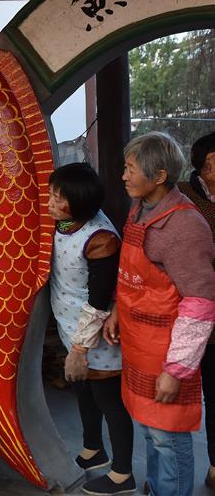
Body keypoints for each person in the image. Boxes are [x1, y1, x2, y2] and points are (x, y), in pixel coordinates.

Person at [104, 131, 215, 496]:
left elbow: (200, 304)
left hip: (167, 352)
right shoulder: (141, 209)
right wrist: (118, 310)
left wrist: (176, 370)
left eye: (131, 168)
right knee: (151, 430)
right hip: (140, 346)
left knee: (169, 436)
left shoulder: (186, 226)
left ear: (160, 176)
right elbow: (132, 275)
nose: (124, 175)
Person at [48, 163, 134, 495]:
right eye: (52, 193)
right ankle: (92, 448)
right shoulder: (65, 222)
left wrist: (81, 349)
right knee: (83, 390)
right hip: (71, 327)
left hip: (96, 336)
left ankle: (123, 472)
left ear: (80, 203)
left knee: (109, 401)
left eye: (59, 197)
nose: (50, 202)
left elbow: (99, 302)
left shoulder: (99, 238)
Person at [177, 131, 215, 489]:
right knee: (187, 393)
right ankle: (173, 473)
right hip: (189, 313)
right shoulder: (184, 199)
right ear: (202, 166)